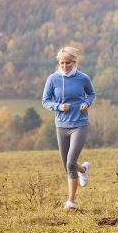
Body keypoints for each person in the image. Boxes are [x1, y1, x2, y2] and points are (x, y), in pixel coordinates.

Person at [42, 46, 96, 210]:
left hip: (79, 124)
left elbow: (91, 94)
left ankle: (71, 201)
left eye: (68, 63)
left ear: (74, 62)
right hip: (61, 125)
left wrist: (86, 103)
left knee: (70, 162)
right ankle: (83, 169)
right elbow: (45, 100)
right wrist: (58, 107)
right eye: (62, 63)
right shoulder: (53, 79)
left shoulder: (83, 78)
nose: (65, 66)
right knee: (66, 164)